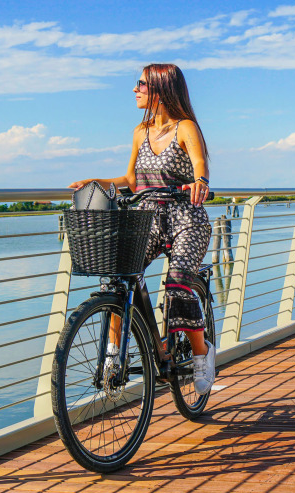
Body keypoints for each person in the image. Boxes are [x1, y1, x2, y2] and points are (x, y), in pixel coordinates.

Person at [69, 63, 214, 395]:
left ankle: (202, 354)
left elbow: (200, 165)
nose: (135, 90)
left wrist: (201, 181)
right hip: (146, 219)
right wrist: (96, 181)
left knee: (178, 283)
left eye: (141, 84)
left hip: (185, 218)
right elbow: (131, 181)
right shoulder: (140, 131)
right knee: (118, 275)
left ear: (160, 89)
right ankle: (111, 356)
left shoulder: (185, 128)